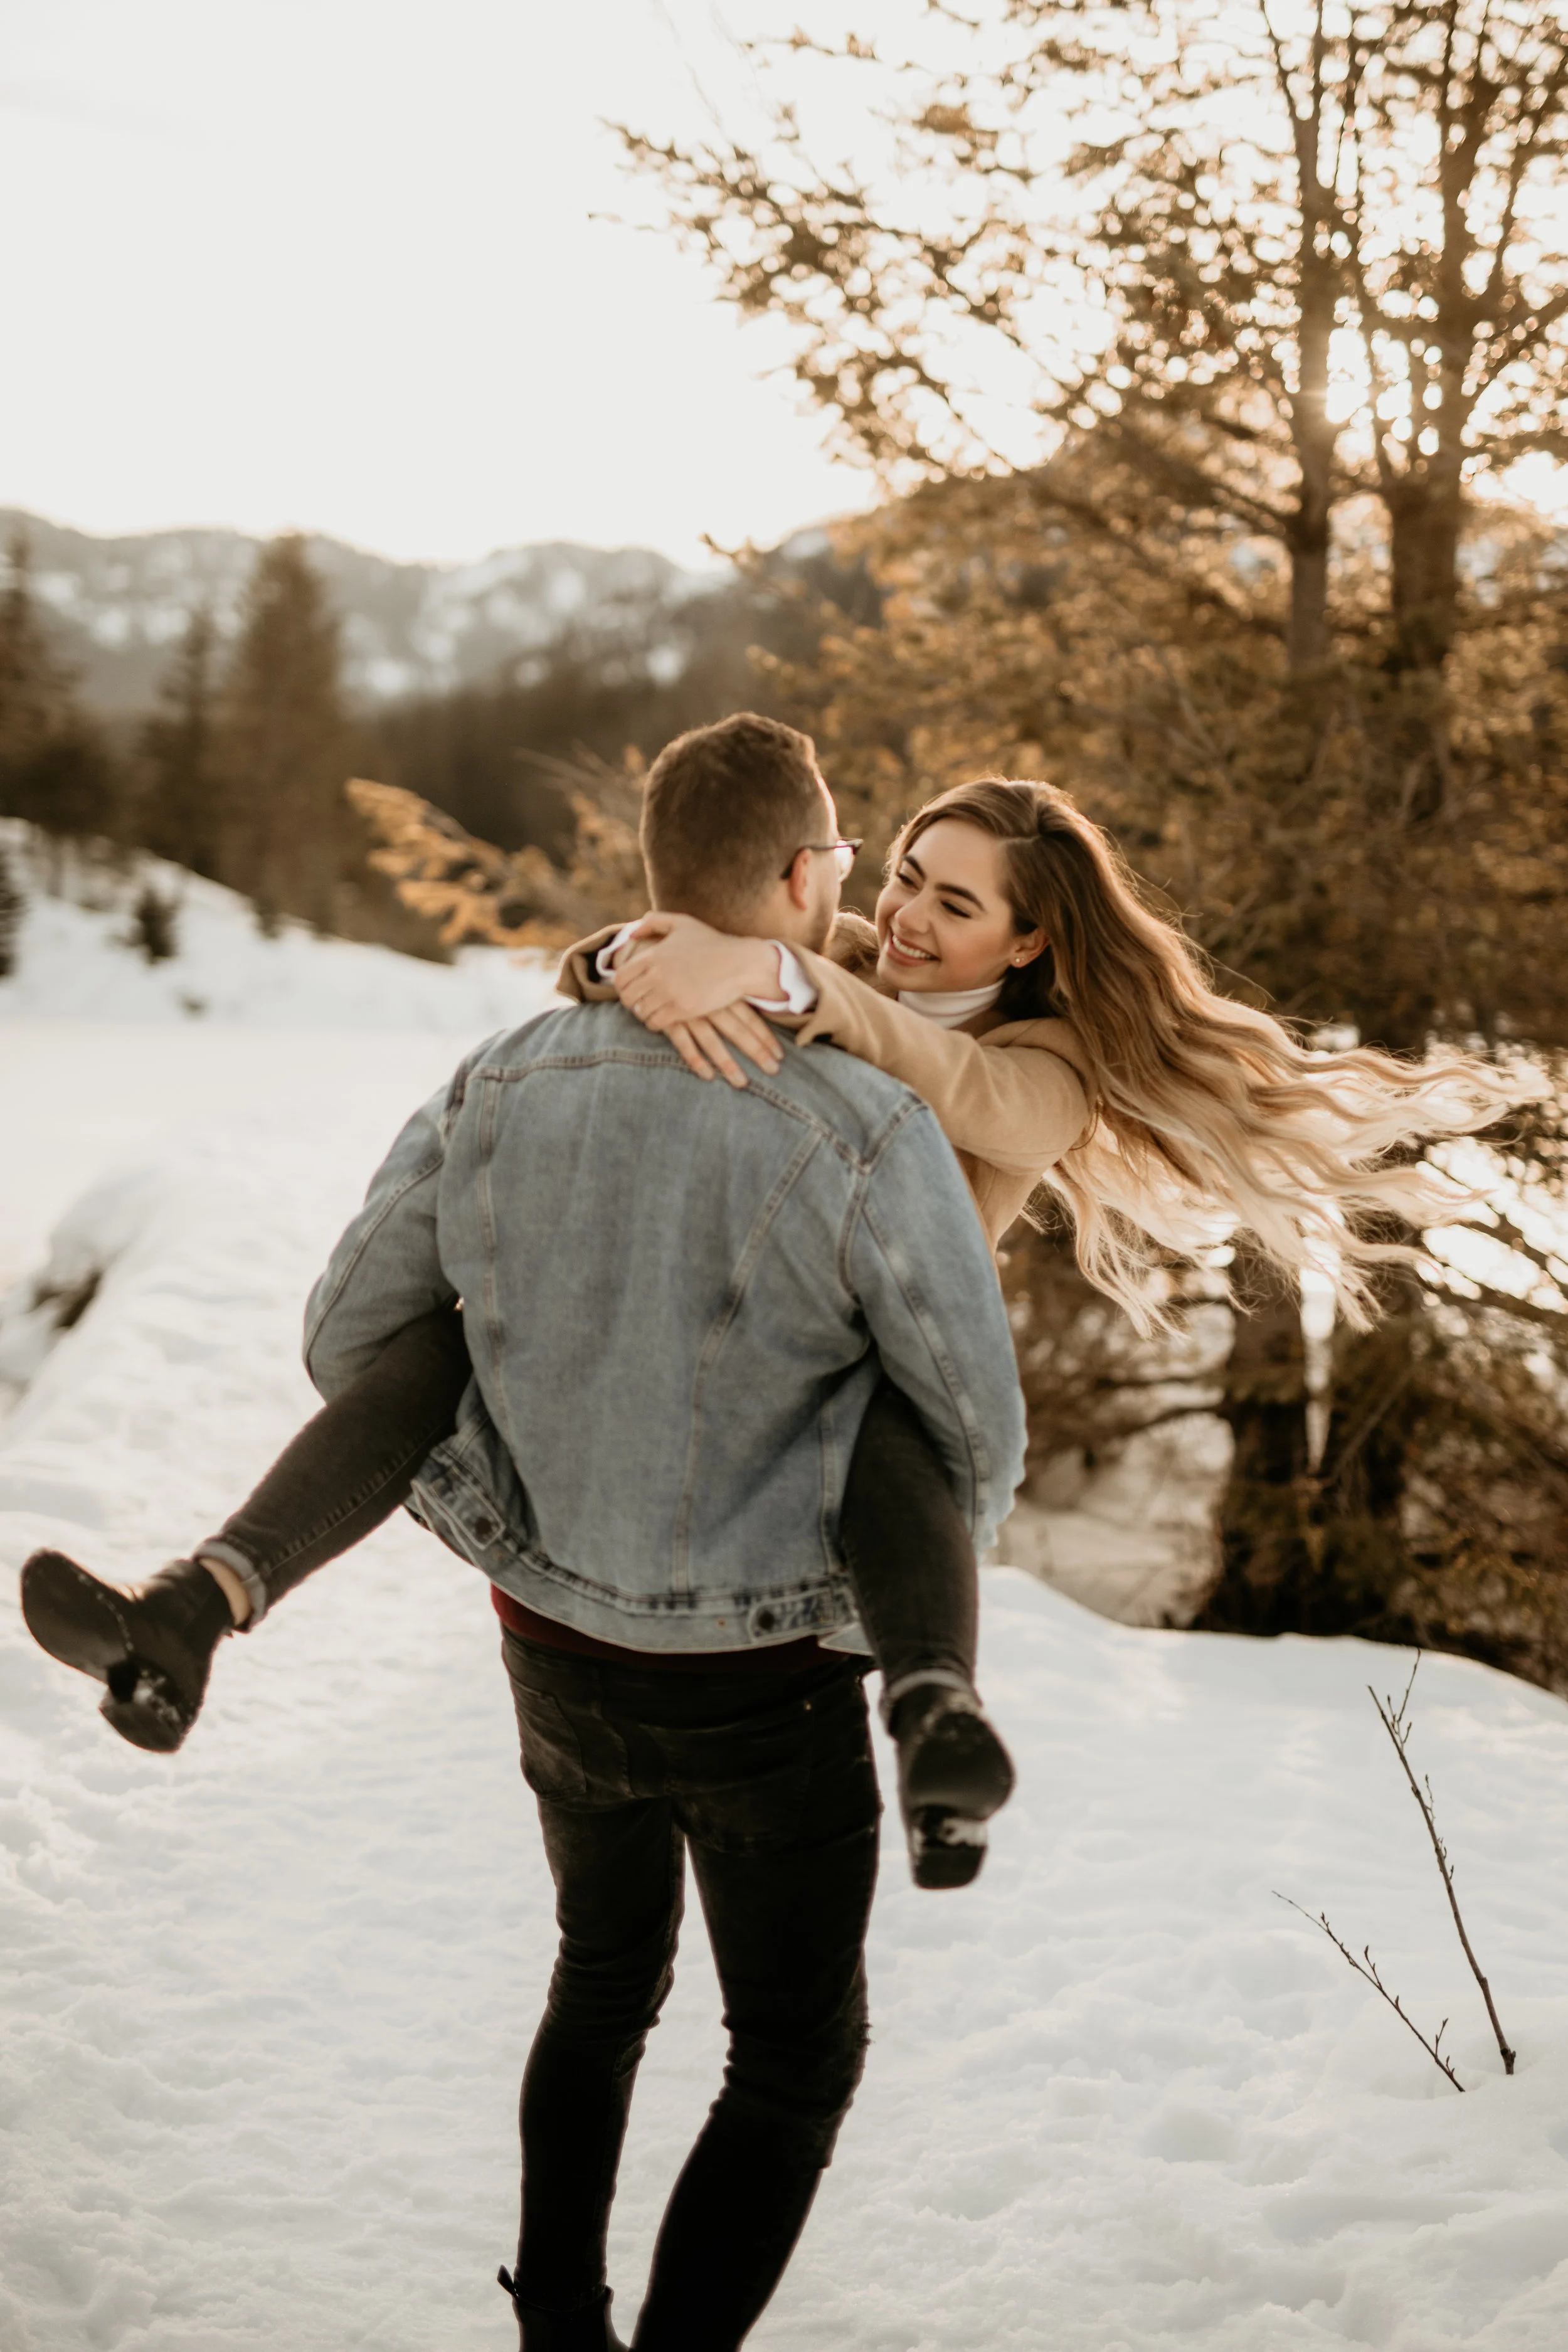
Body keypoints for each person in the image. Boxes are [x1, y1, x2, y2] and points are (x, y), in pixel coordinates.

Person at [43, 714, 1032, 2352]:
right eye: (863, 867)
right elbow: (973, 1418)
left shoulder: (507, 1070)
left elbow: (346, 1334)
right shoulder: (865, 1123)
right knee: (791, 2059)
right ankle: (937, 1697)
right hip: (770, 1680)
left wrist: (507, 1485)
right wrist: (884, 1601)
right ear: (804, 877)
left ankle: (209, 1592)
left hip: (559, 1654)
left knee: (599, 1982)